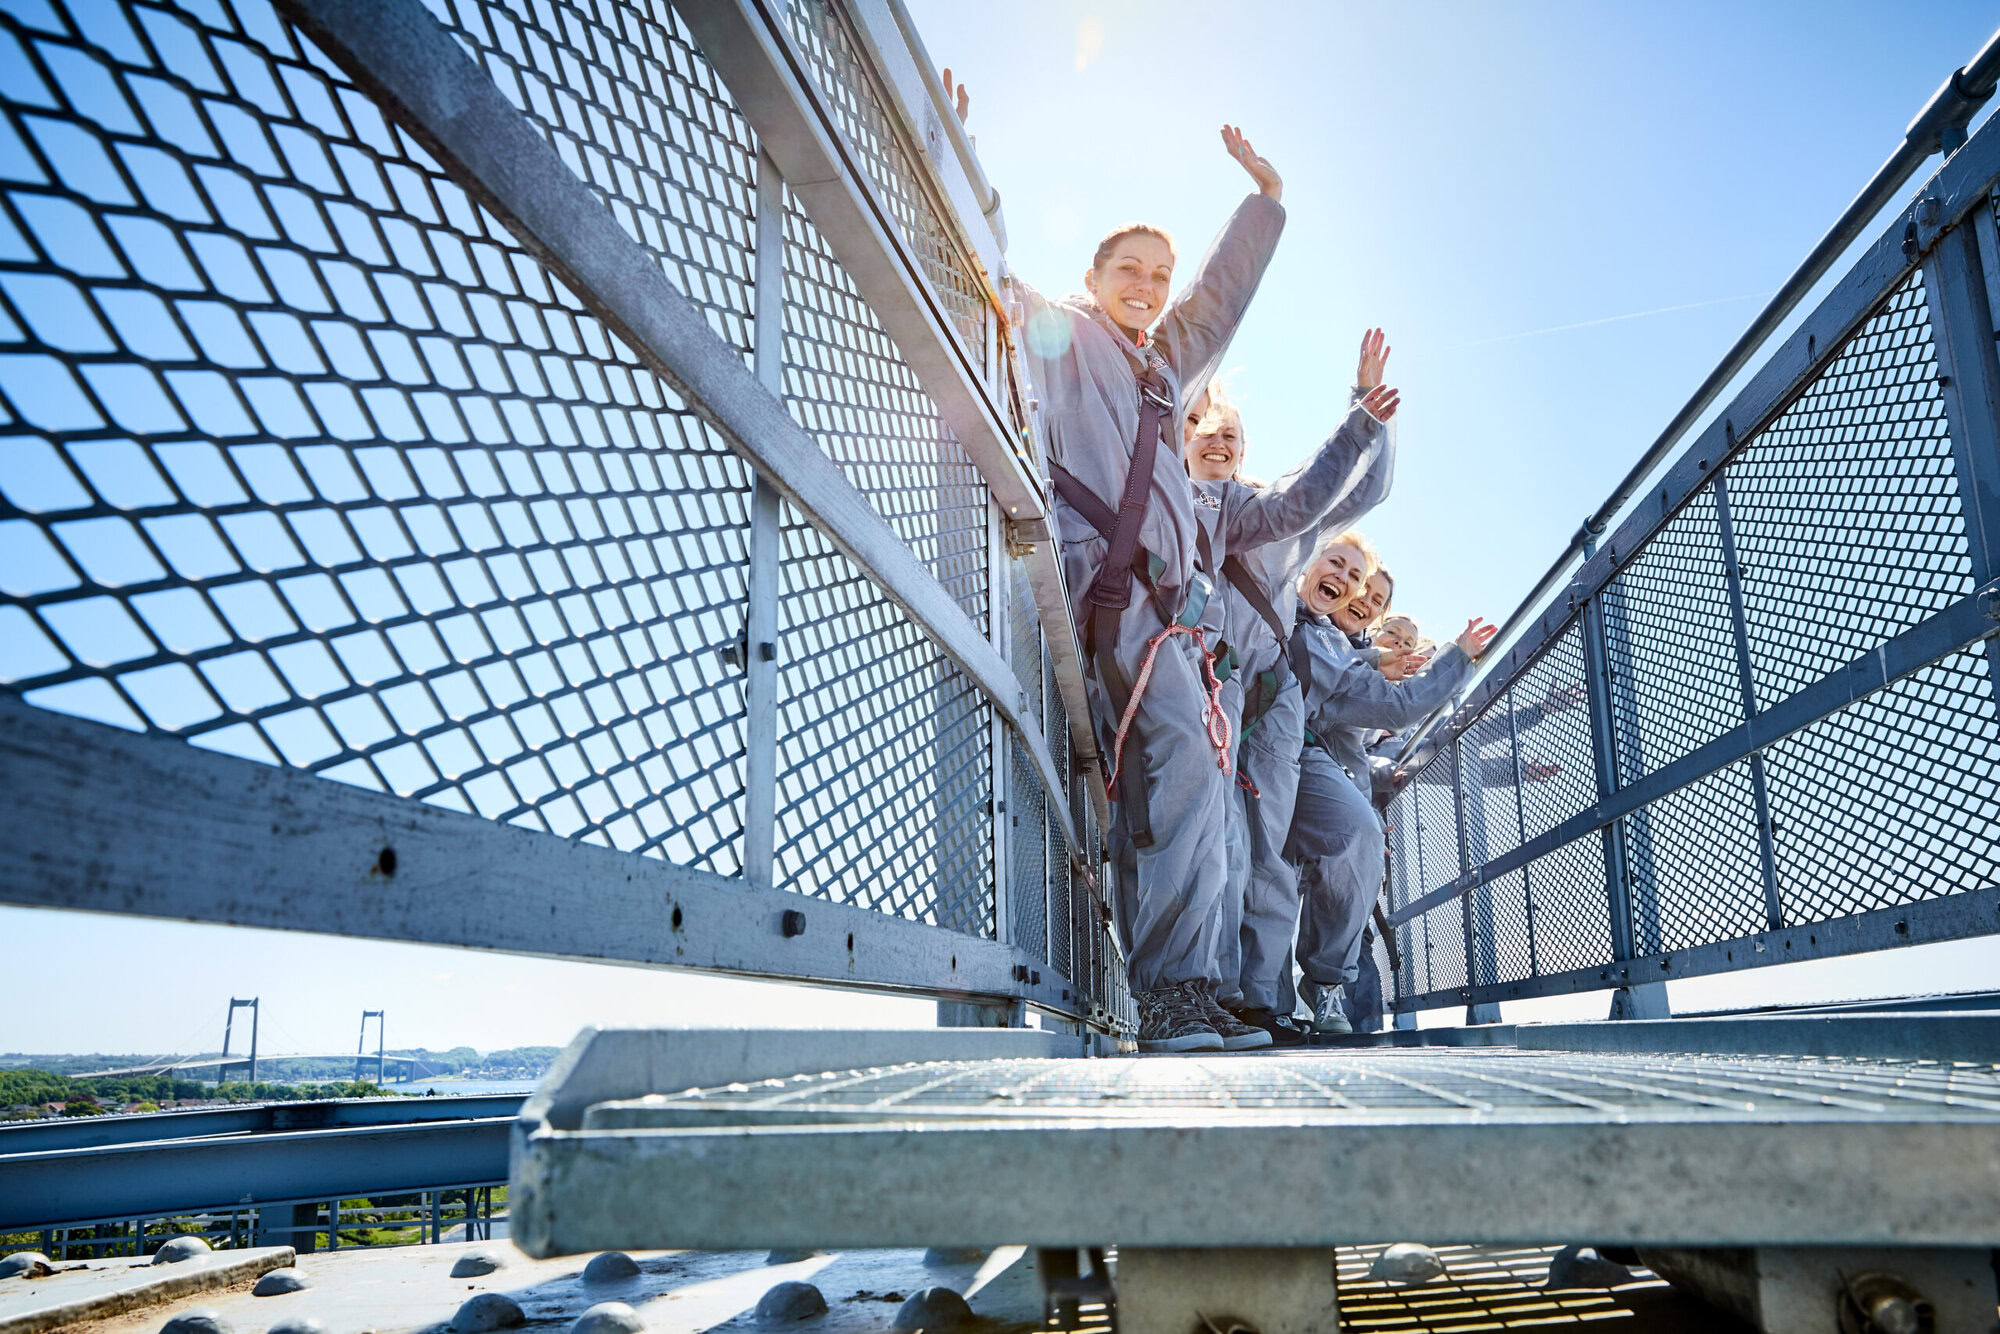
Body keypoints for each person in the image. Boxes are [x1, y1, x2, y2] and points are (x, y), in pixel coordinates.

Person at [1010, 127, 1291, 1052]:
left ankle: (1193, 985)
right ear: (1093, 277)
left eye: (1159, 273)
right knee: (1175, 763)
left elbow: (1218, 305)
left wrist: (1263, 202)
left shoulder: (1165, 370)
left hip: (1171, 616)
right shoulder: (1062, 332)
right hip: (1111, 590)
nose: (1148, 283)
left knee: (1202, 790)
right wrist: (935, 146)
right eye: (1129, 267)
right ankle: (1169, 993)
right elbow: (974, 274)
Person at [1183, 332, 1398, 1044]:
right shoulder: (1168, 511)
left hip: (1263, 704)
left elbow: (1362, 487)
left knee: (1267, 851)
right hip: (1193, 690)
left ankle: (1264, 1003)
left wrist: (1367, 408)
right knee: (1212, 848)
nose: (1218, 443)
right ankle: (1208, 993)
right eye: (1204, 431)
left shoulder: (1276, 516)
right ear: (1183, 442)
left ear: (1245, 450)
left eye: (1231, 435)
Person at [1287, 533, 1497, 1033]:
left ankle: (1339, 1014)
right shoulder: (1316, 637)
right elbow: (1381, 708)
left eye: (1375, 599)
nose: (1362, 600)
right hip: (1296, 772)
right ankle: (1278, 1003)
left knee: (1340, 906)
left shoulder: (1351, 655)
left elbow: (1409, 741)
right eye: (1362, 592)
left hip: (1330, 788)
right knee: (1273, 891)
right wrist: (1455, 657)